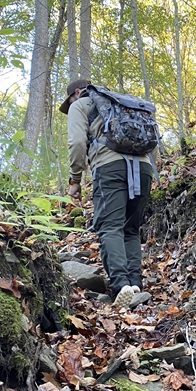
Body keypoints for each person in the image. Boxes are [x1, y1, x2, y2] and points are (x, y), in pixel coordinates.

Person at [59, 79, 154, 307]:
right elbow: (152, 140)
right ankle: (135, 284)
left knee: (110, 226)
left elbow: (77, 144)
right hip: (144, 168)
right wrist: (149, 170)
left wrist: (75, 179)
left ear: (77, 93)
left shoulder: (80, 105)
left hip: (109, 167)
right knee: (130, 229)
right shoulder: (124, 103)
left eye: (70, 98)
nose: (70, 103)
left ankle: (121, 285)